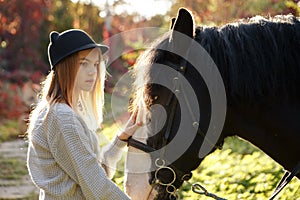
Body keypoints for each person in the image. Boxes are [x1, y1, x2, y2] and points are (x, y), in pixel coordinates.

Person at [26, 29, 141, 199]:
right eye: (83, 63)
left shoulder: (61, 111)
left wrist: (120, 140)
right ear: (65, 65)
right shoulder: (63, 118)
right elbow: (97, 186)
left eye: (95, 64)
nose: (92, 71)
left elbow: (92, 174)